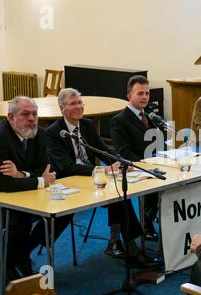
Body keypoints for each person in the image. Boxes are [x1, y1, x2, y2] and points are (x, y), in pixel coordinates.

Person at [46, 88, 159, 269]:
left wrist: (121, 162)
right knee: (114, 193)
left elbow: (103, 150)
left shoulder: (88, 125)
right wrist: (101, 170)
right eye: (73, 103)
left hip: (92, 179)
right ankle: (125, 247)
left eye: (80, 102)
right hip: (68, 184)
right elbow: (65, 167)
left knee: (120, 194)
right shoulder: (53, 132)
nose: (79, 107)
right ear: (62, 109)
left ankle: (128, 248)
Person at [0, 96, 70, 282]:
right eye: (26, 114)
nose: (32, 118)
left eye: (35, 114)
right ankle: (9, 266)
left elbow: (47, 168)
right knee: (18, 219)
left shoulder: (38, 134)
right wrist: (40, 180)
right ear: (11, 117)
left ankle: (18, 256)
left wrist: (22, 174)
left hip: (28, 193)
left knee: (64, 212)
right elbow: (6, 185)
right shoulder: (0, 139)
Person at [110, 75, 162, 241]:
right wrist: (147, 166)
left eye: (147, 93)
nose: (145, 97)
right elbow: (124, 152)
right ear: (129, 96)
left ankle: (150, 222)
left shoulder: (151, 117)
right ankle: (145, 225)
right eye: (140, 93)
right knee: (157, 181)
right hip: (134, 169)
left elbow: (158, 144)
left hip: (153, 165)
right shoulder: (119, 120)